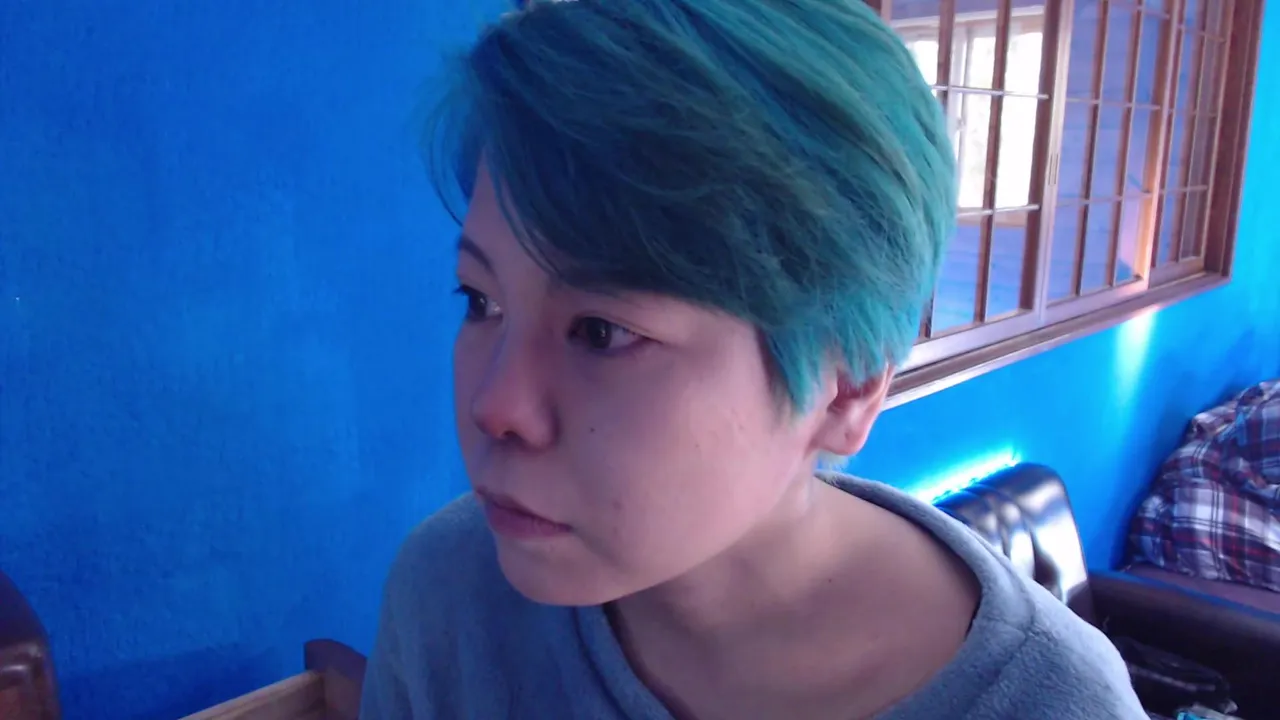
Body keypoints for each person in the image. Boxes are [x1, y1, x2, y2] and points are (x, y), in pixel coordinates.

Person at [360, 0, 1146, 717]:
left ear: (847, 384)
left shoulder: (1050, 703)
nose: (495, 406)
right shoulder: (452, 596)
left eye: (600, 331)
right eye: (481, 301)